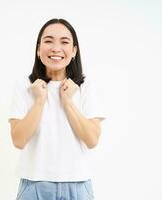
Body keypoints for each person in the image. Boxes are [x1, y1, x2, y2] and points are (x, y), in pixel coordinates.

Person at [8, 18, 105, 200]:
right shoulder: (24, 86)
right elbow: (18, 140)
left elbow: (92, 139)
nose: (56, 48)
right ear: (38, 49)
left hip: (78, 187)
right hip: (34, 187)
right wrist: (39, 101)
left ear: (74, 51)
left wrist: (67, 101)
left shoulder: (85, 86)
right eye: (48, 41)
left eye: (64, 42)